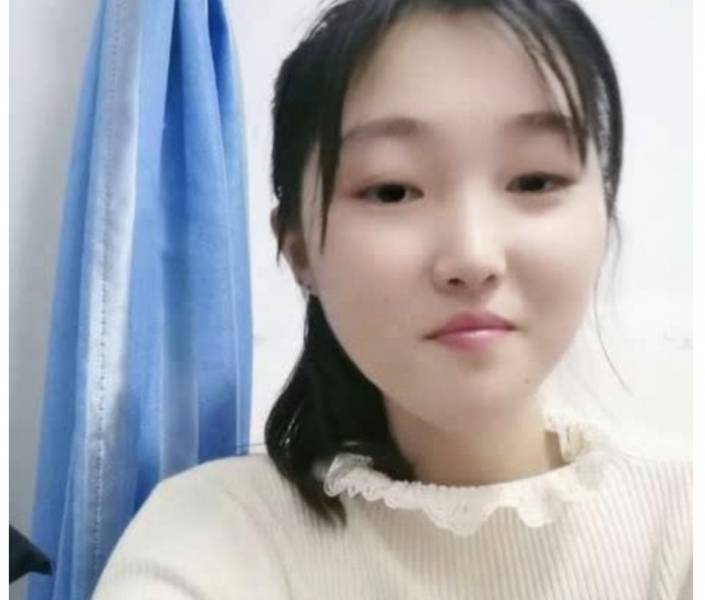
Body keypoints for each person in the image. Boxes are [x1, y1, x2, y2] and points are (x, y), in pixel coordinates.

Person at [92, 0, 692, 598]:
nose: (473, 257)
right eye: (392, 190)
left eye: (535, 181)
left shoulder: (682, 526)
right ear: (299, 250)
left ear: (603, 215)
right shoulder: (216, 537)